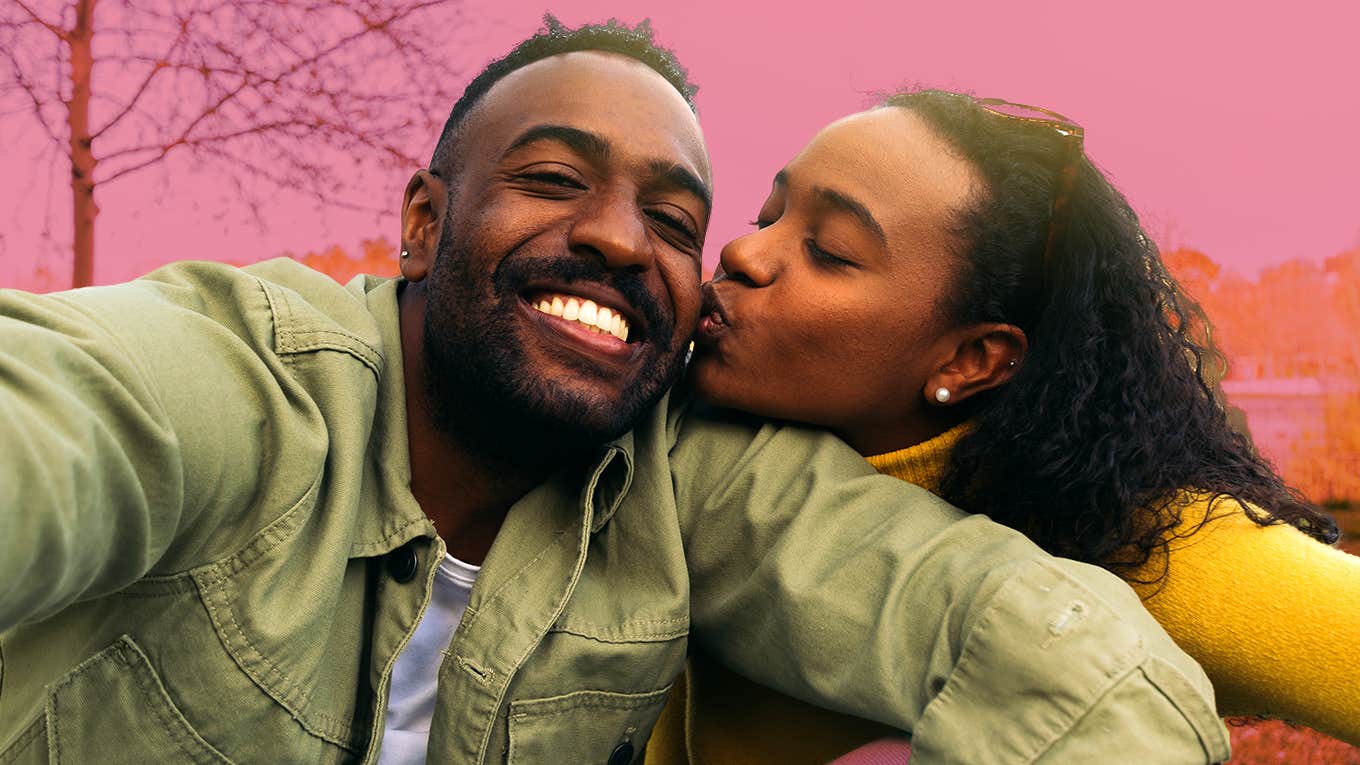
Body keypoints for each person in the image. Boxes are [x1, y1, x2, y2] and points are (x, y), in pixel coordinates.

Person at [0, 22, 1232, 764]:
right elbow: (63, 415)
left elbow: (1054, 659)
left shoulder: (688, 473)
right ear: (424, 224)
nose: (618, 240)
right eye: (549, 178)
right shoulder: (247, 382)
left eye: (675, 218)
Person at [648, 89, 1360, 764]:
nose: (743, 254)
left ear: (971, 357)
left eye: (829, 250)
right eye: (767, 217)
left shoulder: (1140, 540)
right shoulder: (672, 432)